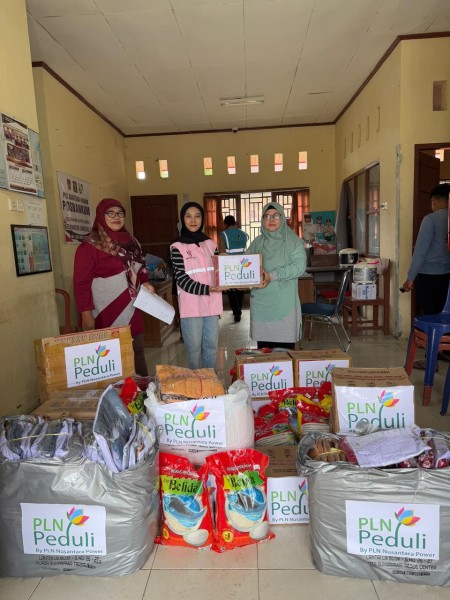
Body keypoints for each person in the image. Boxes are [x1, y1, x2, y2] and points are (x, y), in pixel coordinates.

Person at [73, 198, 155, 376]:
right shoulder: (89, 246)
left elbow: (141, 268)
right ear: (101, 216)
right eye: (110, 213)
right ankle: (116, 392)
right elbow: (81, 283)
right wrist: (86, 314)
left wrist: (146, 282)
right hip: (106, 311)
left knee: (137, 350)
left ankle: (142, 390)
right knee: (111, 359)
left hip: (132, 307)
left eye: (120, 213)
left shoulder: (132, 242)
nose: (116, 217)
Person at [170, 202, 223, 370]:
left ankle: (210, 381)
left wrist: (226, 263)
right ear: (182, 220)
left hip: (212, 304)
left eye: (197, 216)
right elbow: (182, 279)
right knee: (193, 350)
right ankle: (195, 383)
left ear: (202, 219)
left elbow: (219, 271)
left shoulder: (210, 244)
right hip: (191, 306)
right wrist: (207, 289)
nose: (193, 220)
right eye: (188, 216)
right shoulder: (177, 247)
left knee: (211, 347)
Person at [247, 202, 307, 349]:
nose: (271, 219)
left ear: (282, 217)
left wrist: (272, 275)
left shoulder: (293, 242)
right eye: (267, 216)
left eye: (276, 216)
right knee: (264, 354)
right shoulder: (257, 243)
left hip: (283, 306)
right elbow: (245, 264)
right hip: (261, 307)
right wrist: (226, 263)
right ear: (262, 219)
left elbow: (299, 267)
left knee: (284, 354)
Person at [402, 183, 450, 315]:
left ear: (434, 201)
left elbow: (420, 252)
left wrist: (410, 278)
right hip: (447, 276)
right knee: (445, 315)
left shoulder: (430, 220)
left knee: (430, 315)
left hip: (429, 277)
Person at [218, 215, 249, 322]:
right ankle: (239, 308)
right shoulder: (244, 234)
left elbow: (221, 252)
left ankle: (236, 312)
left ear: (225, 224)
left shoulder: (224, 234)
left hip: (230, 266)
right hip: (242, 265)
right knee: (240, 288)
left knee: (231, 289)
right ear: (235, 222)